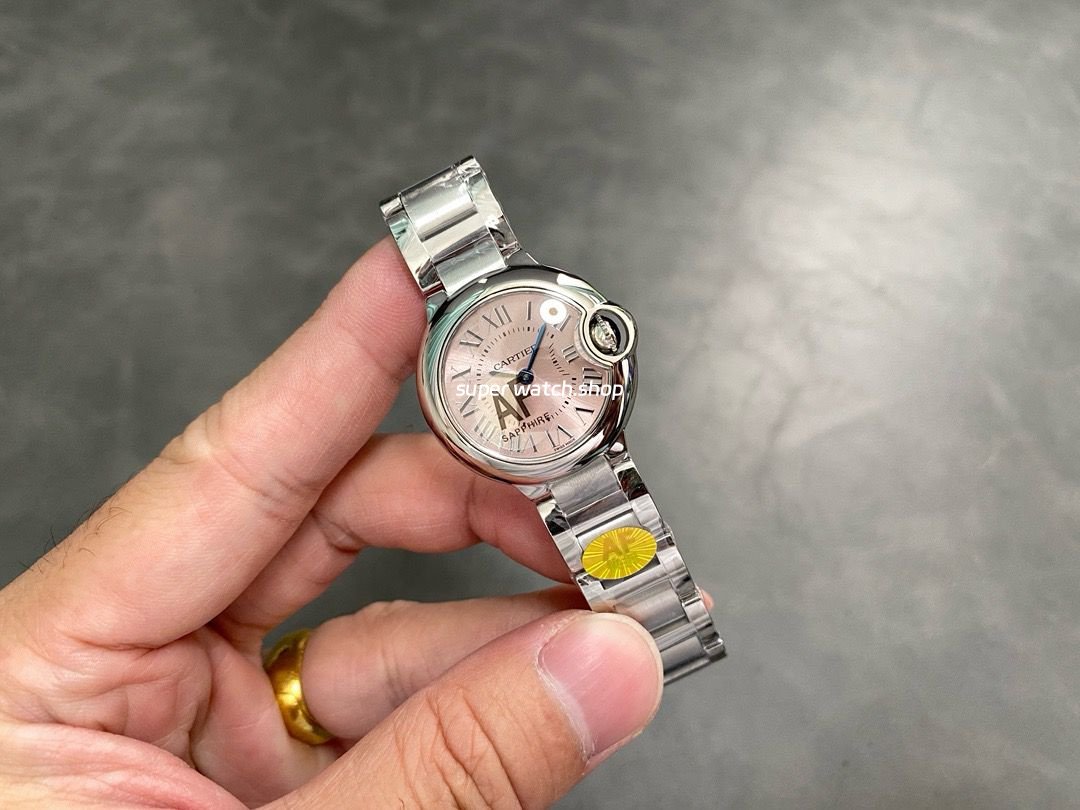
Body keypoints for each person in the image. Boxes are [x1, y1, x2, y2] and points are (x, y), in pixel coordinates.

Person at [0, 239, 667, 808]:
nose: (524, 386)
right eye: (521, 377)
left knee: (636, 598)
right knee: (632, 614)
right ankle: (659, 626)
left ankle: (662, 620)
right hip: (529, 450)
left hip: (566, 444)